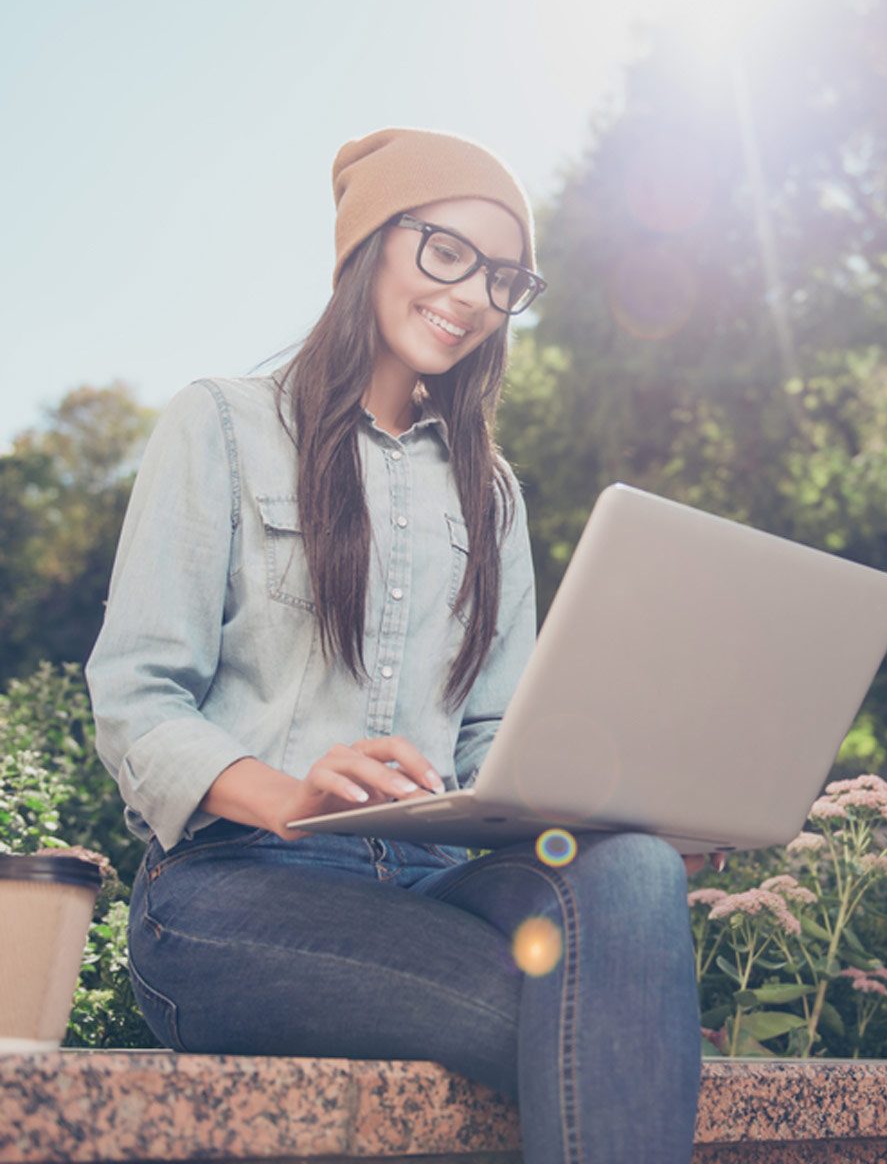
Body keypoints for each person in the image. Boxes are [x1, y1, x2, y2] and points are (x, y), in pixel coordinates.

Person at [86, 127, 721, 1164]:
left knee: (635, 869)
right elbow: (137, 699)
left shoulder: (492, 493)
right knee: (608, 1028)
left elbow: (494, 738)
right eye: (445, 251)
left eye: (503, 276)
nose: (472, 295)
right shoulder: (220, 426)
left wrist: (610, 803)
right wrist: (288, 794)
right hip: (235, 891)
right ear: (369, 245)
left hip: (433, 882)